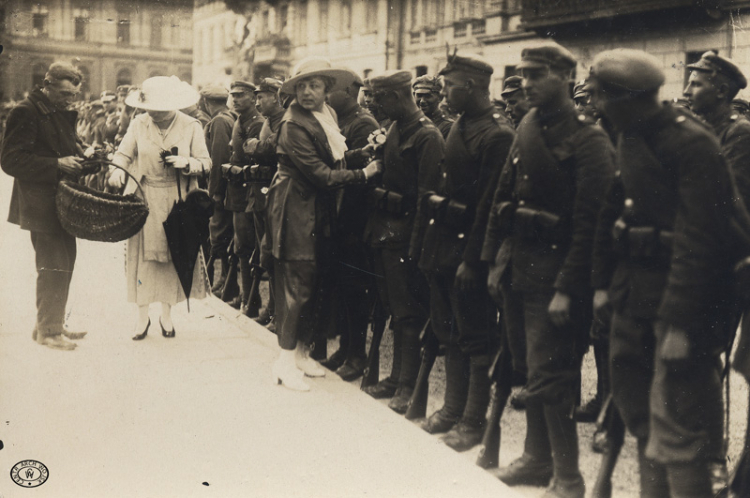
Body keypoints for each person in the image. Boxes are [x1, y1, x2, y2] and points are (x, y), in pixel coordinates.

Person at [588, 48, 737, 497]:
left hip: (682, 307)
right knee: (642, 419)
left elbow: (701, 242)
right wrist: (599, 285)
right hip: (634, 297)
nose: (596, 106)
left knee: (679, 431)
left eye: (602, 97)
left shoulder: (691, 142)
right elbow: (611, 210)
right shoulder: (631, 133)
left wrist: (678, 323)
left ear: (626, 97)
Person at [486, 45, 615, 498]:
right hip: (520, 268)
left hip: (558, 277)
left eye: (535, 74)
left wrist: (567, 289)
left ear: (564, 75)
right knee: (529, 371)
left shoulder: (590, 140)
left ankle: (569, 478)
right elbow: (502, 195)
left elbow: (592, 225)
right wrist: (493, 260)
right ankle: (536, 460)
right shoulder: (526, 124)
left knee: (553, 376)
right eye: (521, 74)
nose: (525, 82)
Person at [416, 52, 515, 452]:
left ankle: (474, 420)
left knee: (475, 336)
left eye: (449, 86)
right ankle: (452, 409)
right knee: (447, 331)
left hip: (468, 251)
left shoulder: (497, 134)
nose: (443, 93)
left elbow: (490, 207)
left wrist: (474, 261)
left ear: (471, 86)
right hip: (444, 243)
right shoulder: (461, 124)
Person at [267, 56, 382, 391]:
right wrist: (363, 173)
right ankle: (285, 361)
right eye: (301, 86)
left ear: (327, 90)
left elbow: (334, 157)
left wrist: (362, 153)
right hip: (296, 206)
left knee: (314, 282)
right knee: (298, 282)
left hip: (316, 206)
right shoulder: (292, 124)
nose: (306, 92)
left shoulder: (325, 115)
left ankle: (301, 352)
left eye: (314, 86)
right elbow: (320, 174)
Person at [362, 70, 445, 410]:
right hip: (386, 234)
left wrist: (418, 247)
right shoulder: (396, 128)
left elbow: (428, 198)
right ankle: (397, 378)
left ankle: (408, 386)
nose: (374, 105)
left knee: (409, 314)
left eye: (379, 99)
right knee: (396, 311)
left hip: (407, 237)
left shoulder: (428, 136)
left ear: (395, 97)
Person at [107, 76, 212, 340]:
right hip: (144, 198)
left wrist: (186, 162)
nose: (151, 112)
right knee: (142, 260)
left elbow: (206, 162)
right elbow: (123, 154)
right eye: (148, 107)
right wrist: (117, 171)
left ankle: (166, 315)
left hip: (178, 200)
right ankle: (143, 318)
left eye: (157, 107)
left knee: (172, 256)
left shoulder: (191, 126)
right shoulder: (139, 123)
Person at [1, 61, 86, 351]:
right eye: (64, 94)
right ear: (47, 86)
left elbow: (61, 148)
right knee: (52, 265)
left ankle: (49, 323)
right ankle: (49, 332)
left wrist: (83, 155)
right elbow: (10, 160)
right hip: (39, 204)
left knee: (66, 261)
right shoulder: (25, 111)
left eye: (73, 95)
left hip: (61, 202)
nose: (69, 100)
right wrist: (57, 164)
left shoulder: (56, 110)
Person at [323, 68, 380, 381]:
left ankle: (357, 353)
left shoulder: (363, 124)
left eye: (332, 92)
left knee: (355, 291)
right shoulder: (341, 121)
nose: (327, 97)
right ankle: (346, 348)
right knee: (343, 289)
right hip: (340, 218)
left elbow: (358, 176)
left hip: (355, 221)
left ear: (348, 92)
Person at [242, 77, 285, 323]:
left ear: (276, 97)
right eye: (256, 97)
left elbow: (270, 148)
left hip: (276, 193)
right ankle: (271, 310)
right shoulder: (269, 122)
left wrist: (256, 146)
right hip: (261, 193)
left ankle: (277, 313)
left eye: (261, 97)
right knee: (265, 254)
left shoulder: (284, 121)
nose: (257, 103)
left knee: (273, 254)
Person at [226, 79, 264, 309]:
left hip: (248, 189)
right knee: (240, 246)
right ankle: (247, 295)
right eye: (233, 95)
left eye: (241, 95)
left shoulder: (257, 123)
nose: (236, 99)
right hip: (237, 190)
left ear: (253, 97)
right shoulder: (240, 121)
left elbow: (256, 161)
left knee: (247, 246)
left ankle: (251, 298)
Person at [201, 83, 236, 295]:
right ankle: (225, 281)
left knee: (219, 235)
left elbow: (218, 159)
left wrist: (215, 192)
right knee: (222, 235)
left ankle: (225, 281)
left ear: (207, 103)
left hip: (221, 189)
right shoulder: (228, 118)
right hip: (226, 188)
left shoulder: (220, 122)